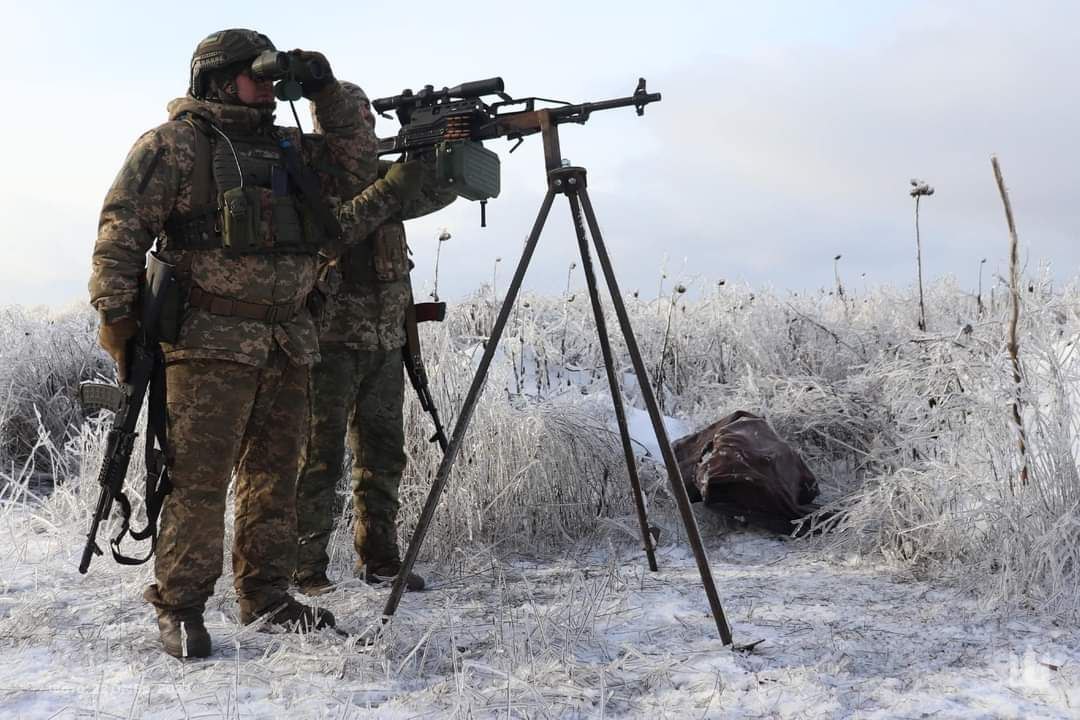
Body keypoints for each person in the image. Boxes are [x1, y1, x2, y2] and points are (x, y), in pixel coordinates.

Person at [89, 29, 430, 659]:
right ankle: (182, 606)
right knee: (197, 481)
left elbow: (358, 155)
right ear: (218, 79)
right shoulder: (175, 146)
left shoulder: (288, 147)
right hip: (207, 345)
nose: (270, 88)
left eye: (274, 78)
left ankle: (267, 595)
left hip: (288, 338)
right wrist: (117, 316)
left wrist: (325, 87)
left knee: (274, 478)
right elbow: (120, 230)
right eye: (257, 76)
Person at [294, 82, 457, 596]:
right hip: (328, 343)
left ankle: (381, 559)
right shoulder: (309, 172)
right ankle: (305, 567)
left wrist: (444, 144)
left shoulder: (378, 174)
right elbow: (333, 229)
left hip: (386, 341)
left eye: (369, 113)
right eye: (355, 114)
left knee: (383, 456)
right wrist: (392, 185)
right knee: (318, 460)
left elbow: (437, 191)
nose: (365, 120)